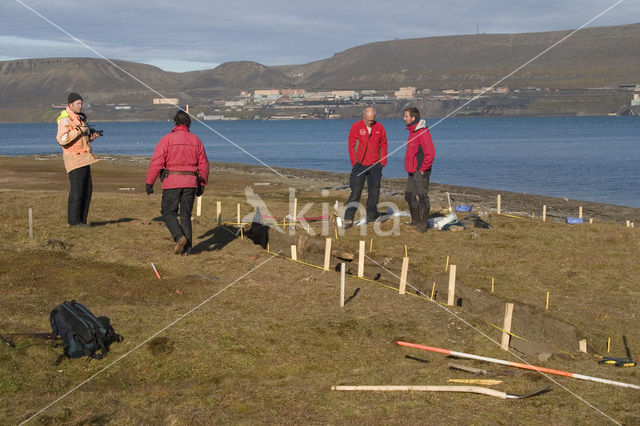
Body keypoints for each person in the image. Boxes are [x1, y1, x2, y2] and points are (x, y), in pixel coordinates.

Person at [145, 110, 210, 255]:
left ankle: (179, 237)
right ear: (189, 124)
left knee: (168, 212)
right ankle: (187, 249)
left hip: (172, 182)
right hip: (190, 182)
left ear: (175, 123)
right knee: (186, 214)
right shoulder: (196, 140)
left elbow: (156, 162)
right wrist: (202, 184)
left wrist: (149, 182)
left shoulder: (167, 139)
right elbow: (204, 165)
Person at [56, 92, 101, 227]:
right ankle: (74, 222)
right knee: (77, 191)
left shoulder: (79, 119)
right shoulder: (65, 120)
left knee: (87, 191)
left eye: (81, 103)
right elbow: (62, 140)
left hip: (85, 158)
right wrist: (80, 130)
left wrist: (91, 137)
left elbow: (80, 140)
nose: (81, 106)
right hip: (74, 160)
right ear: (71, 104)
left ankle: (82, 221)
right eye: (78, 103)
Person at [343, 107, 388, 228]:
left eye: (372, 119)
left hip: (375, 165)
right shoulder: (356, 127)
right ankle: (348, 218)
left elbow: (384, 144)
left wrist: (383, 162)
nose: (370, 122)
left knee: (374, 191)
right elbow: (351, 146)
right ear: (364, 117)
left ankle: (371, 215)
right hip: (360, 165)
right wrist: (354, 162)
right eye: (368, 120)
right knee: (356, 191)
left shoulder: (380, 127)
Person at [403, 107, 435, 233]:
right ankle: (415, 220)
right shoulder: (412, 131)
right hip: (412, 170)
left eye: (406, 116)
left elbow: (430, 153)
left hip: (421, 170)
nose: (404, 119)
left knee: (422, 196)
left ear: (413, 118)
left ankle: (423, 224)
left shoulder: (422, 132)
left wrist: (422, 169)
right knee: (409, 195)